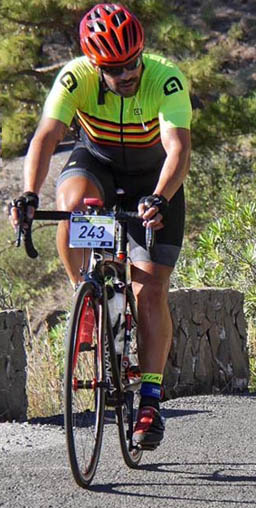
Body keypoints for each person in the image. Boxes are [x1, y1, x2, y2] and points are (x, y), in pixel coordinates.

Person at [7, 3, 192, 450]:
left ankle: (149, 395)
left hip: (155, 179)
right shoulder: (76, 77)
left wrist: (159, 199)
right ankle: (87, 296)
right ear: (95, 63)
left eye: (132, 63)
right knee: (71, 208)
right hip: (99, 164)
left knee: (149, 291)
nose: (127, 74)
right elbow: (46, 137)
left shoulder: (164, 78)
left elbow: (178, 148)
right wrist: (29, 194)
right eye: (115, 68)